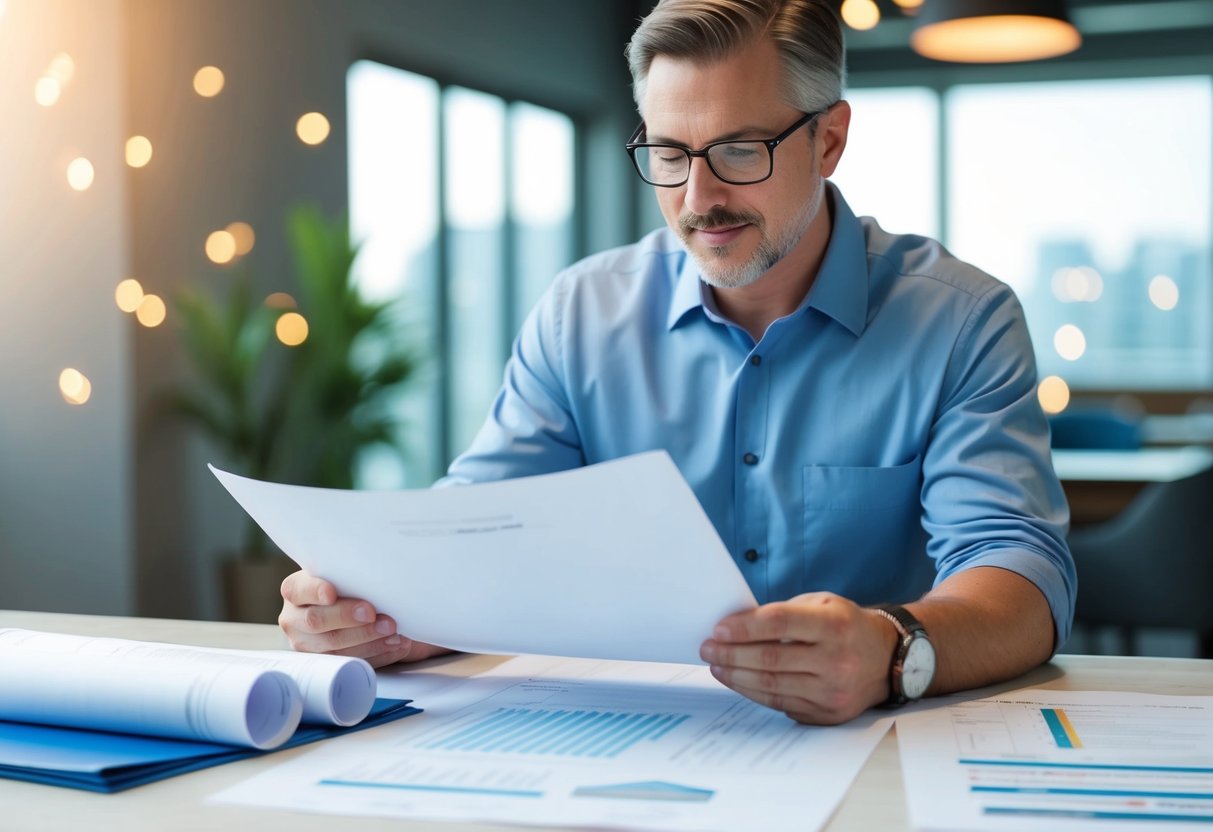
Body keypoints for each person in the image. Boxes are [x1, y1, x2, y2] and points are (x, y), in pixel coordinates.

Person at [279, 0, 1075, 725]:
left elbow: (1019, 575)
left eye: (738, 150)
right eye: (668, 152)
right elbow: (475, 528)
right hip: (619, 741)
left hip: (873, 749)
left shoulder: (961, 319)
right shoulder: (580, 313)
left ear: (828, 140)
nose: (697, 198)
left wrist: (894, 651)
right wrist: (387, 615)